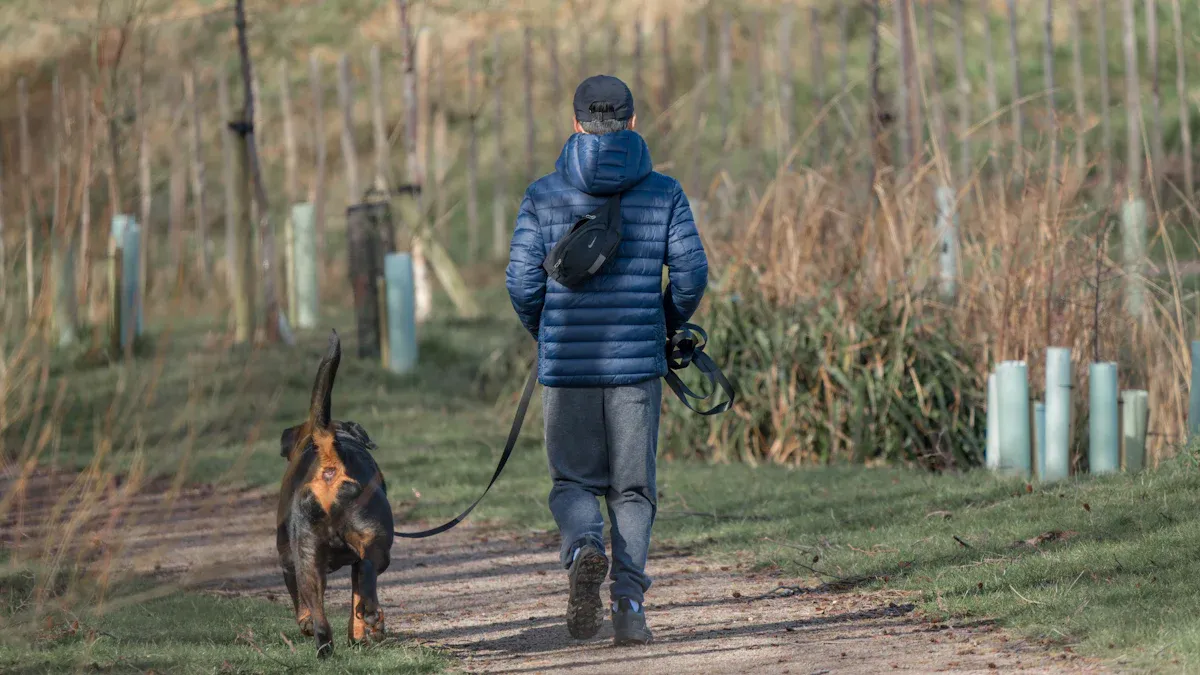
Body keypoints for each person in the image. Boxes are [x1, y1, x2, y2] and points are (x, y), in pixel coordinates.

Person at [505, 74, 708, 647]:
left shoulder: (542, 194)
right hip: (636, 370)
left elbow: (522, 282)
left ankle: (583, 550)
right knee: (633, 490)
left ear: (575, 123)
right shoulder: (665, 192)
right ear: (633, 122)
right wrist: (664, 325)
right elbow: (691, 275)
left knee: (571, 479)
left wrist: (545, 332)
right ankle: (630, 607)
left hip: (567, 366)